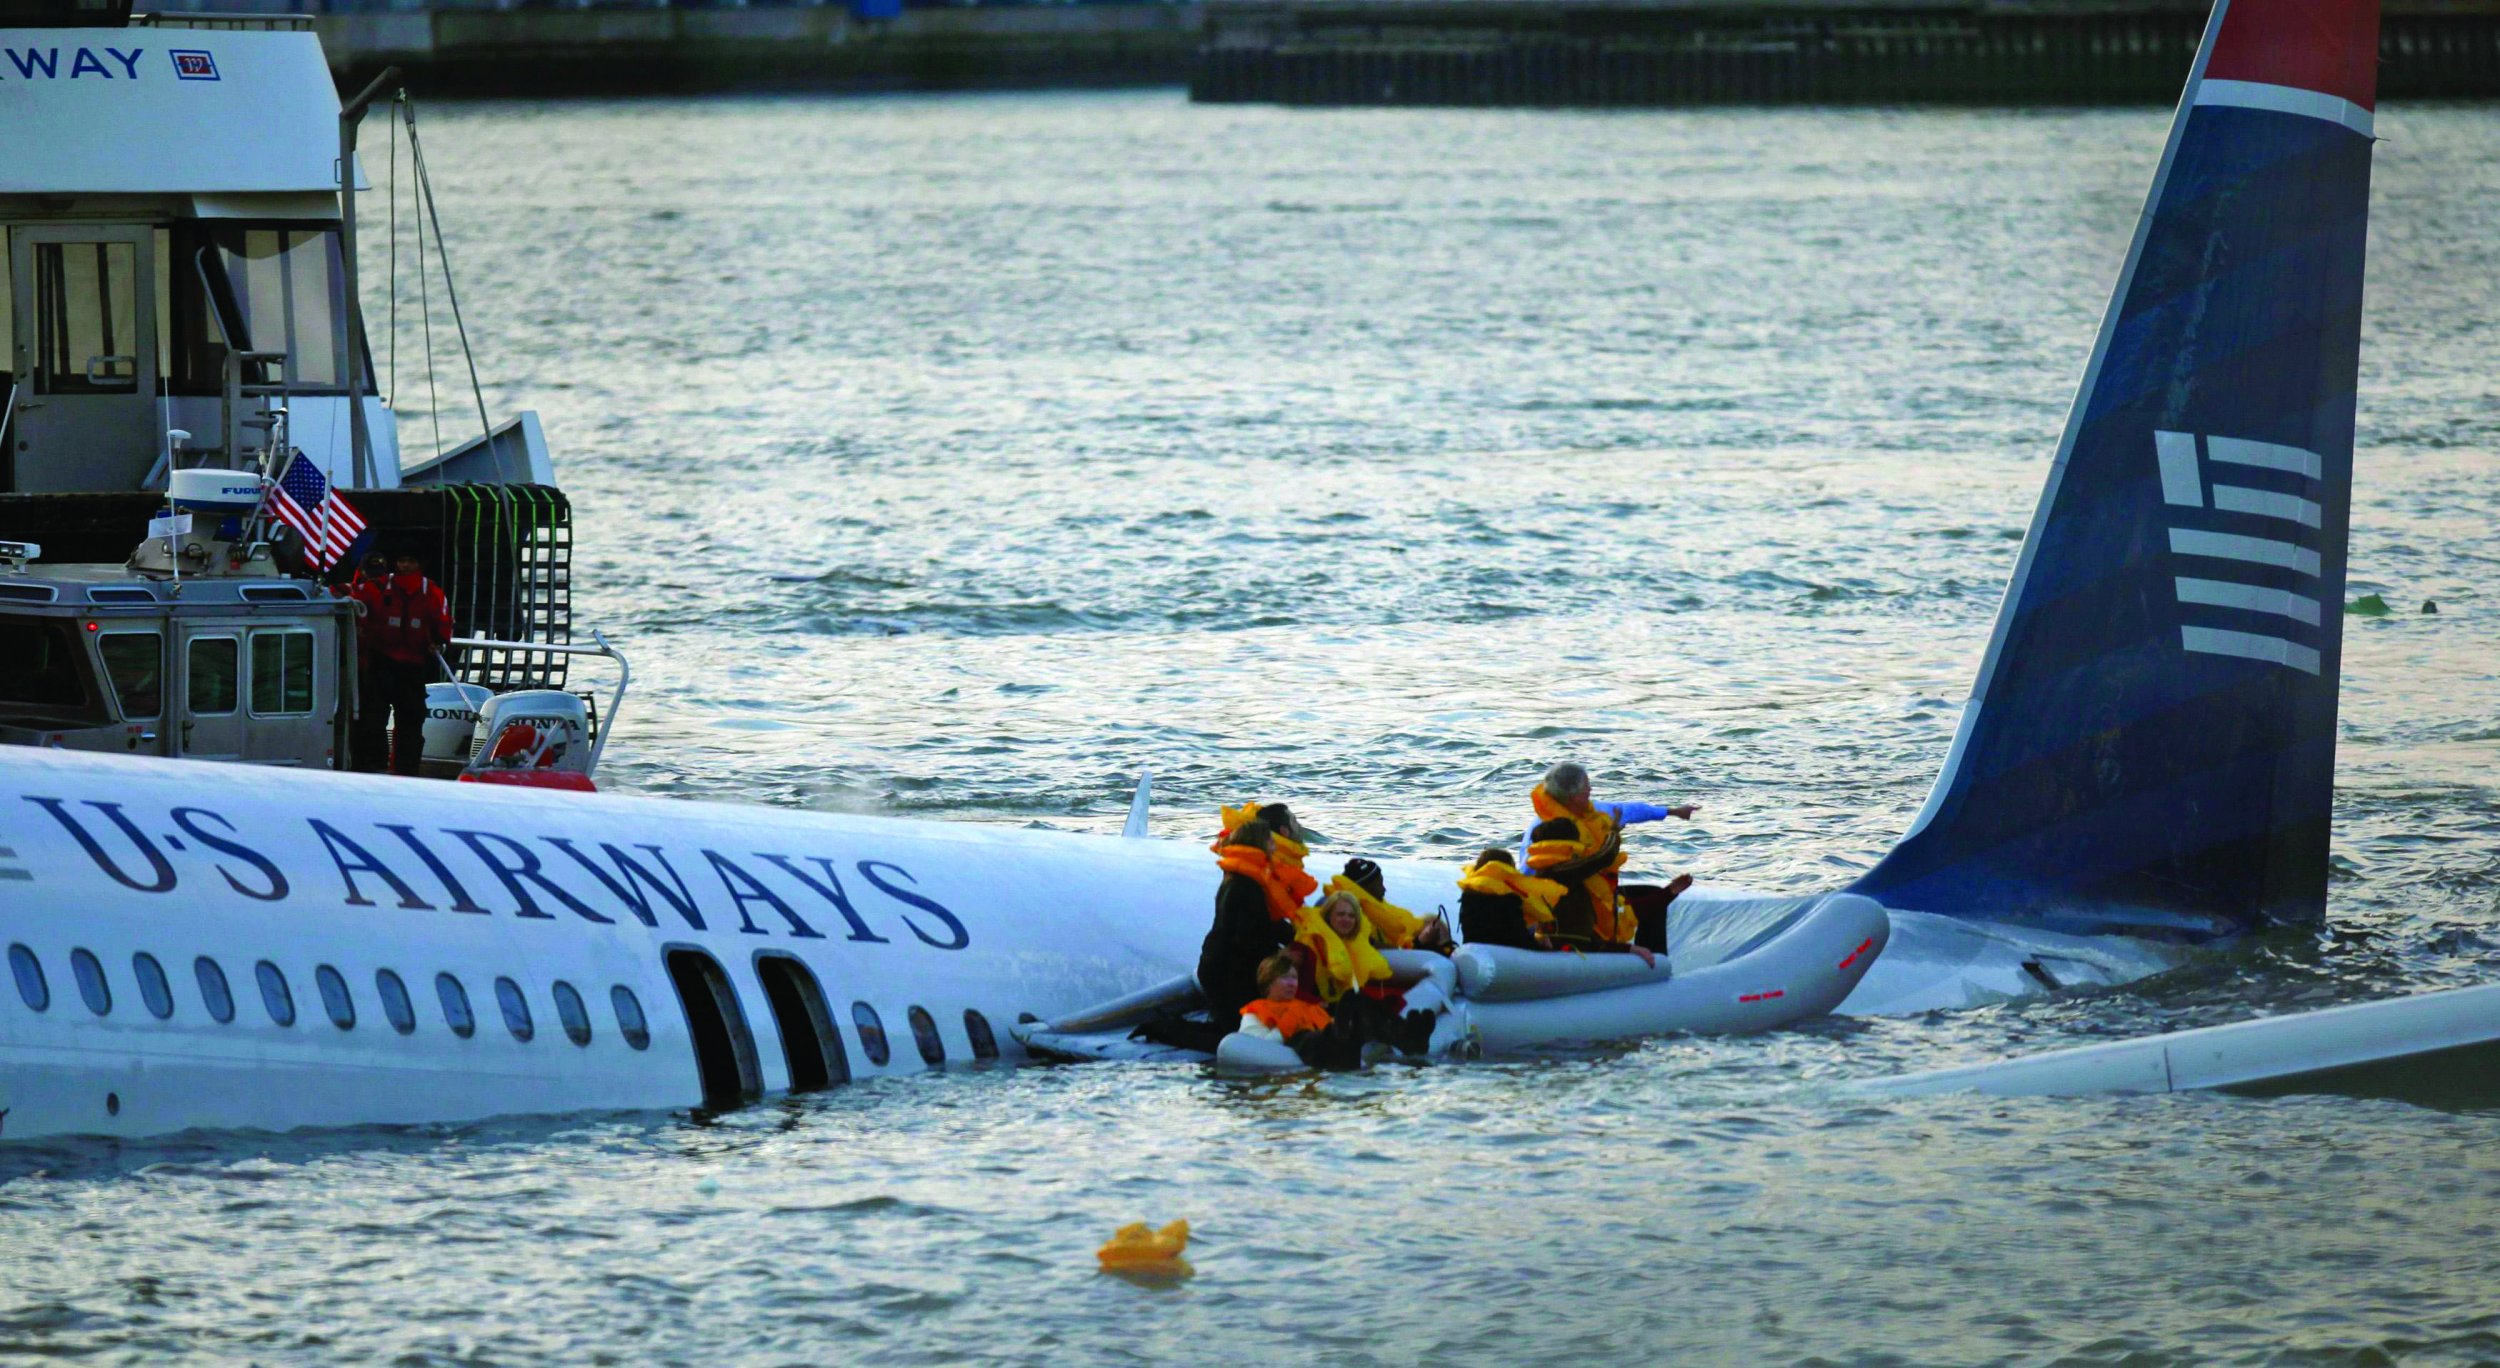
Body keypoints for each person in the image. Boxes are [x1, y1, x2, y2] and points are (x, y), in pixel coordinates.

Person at [1522, 763, 1695, 964]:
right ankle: (1646, 964)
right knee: (1649, 901)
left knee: (1649, 892)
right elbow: (1529, 871)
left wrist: (1673, 811)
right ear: (1572, 796)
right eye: (1586, 786)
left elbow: (1628, 810)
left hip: (1592, 890)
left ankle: (1653, 961)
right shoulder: (1546, 827)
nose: (1590, 789)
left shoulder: (1589, 810)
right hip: (1570, 903)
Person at [1194, 820, 1302, 1031]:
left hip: (1217, 963)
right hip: (1226, 972)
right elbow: (1248, 937)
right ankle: (1163, 1031)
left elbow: (1266, 922)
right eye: (1270, 840)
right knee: (1228, 1029)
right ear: (1259, 844)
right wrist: (1282, 955)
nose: (1275, 844)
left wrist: (1296, 935)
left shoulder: (1242, 879)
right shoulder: (1246, 885)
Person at [365, 550, 454, 777]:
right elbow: (359, 603)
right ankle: (375, 765)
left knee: (411, 722)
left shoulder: (431, 592)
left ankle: (406, 770)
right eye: (402, 560)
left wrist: (438, 641)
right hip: (381, 662)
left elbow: (443, 622)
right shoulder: (377, 587)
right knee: (374, 719)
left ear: (419, 563)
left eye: (410, 560)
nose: (405, 565)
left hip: (413, 666)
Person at [1325, 858, 1454, 955]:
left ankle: (1450, 953)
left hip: (1401, 947)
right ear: (1365, 889)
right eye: (1379, 884)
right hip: (1384, 959)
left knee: (1432, 920)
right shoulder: (1352, 911)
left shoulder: (1375, 905)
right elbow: (1372, 946)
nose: (1384, 889)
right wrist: (1418, 944)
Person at [1455, 848, 1566, 950]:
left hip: (1475, 951)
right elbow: (1519, 939)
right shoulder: (1508, 901)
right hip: (1506, 957)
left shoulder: (1468, 897)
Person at [343, 552, 392, 773]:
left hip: (378, 666)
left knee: (376, 720)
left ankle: (375, 764)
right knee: (354, 721)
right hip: (353, 667)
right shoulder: (348, 595)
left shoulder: (392, 596)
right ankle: (358, 762)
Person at [1235, 953, 1332, 1051]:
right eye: (1284, 977)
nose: (1291, 983)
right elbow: (1256, 1050)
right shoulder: (1254, 1013)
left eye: (1294, 977)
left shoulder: (1310, 1008)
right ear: (1268, 982)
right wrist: (1288, 1025)